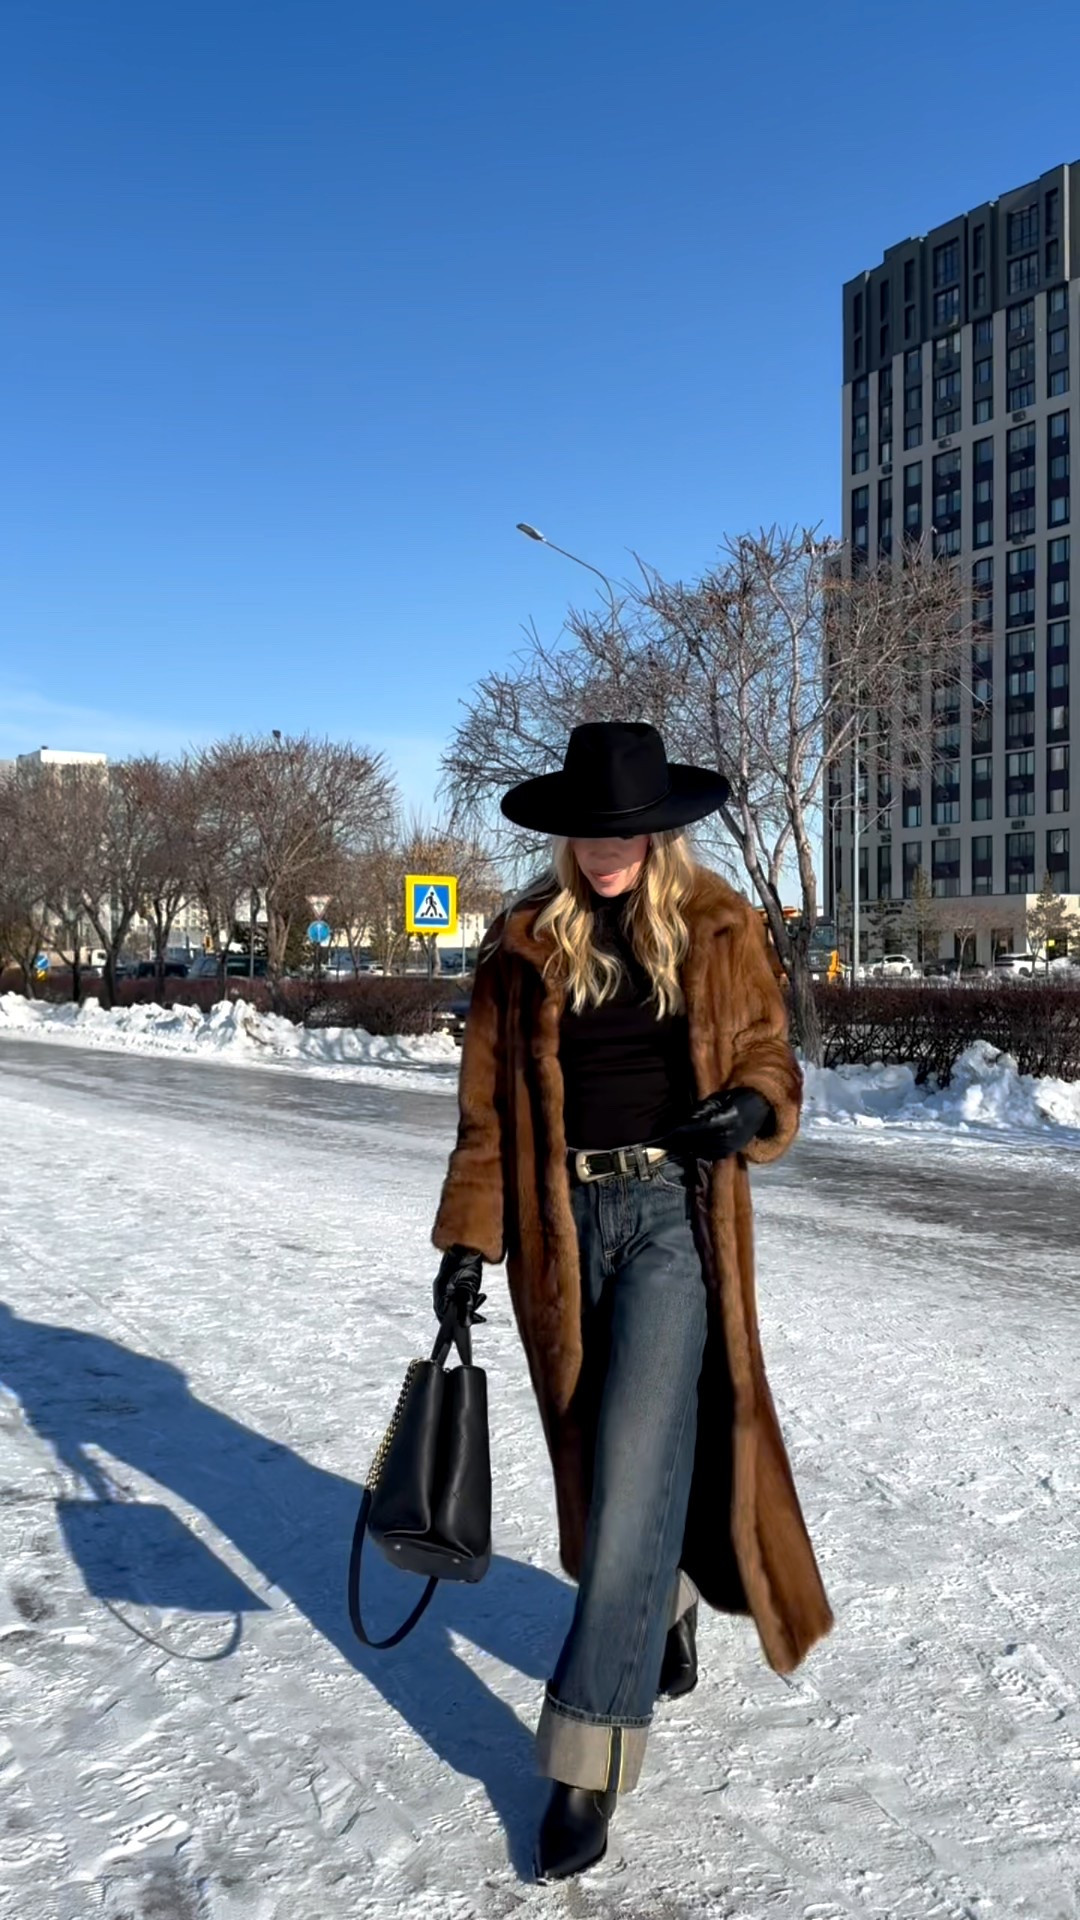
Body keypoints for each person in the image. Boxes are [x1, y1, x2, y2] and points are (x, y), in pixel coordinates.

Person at [430, 721, 834, 1882]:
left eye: (625, 831)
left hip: (669, 1221)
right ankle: (656, 1614)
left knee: (642, 1452)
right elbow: (486, 1119)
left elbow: (771, 1057)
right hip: (557, 1235)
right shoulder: (518, 950)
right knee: (606, 1473)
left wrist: (752, 1112)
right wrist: (468, 1243)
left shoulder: (717, 928)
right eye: (586, 831)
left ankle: (584, 1758)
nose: (604, 850)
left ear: (660, 832)